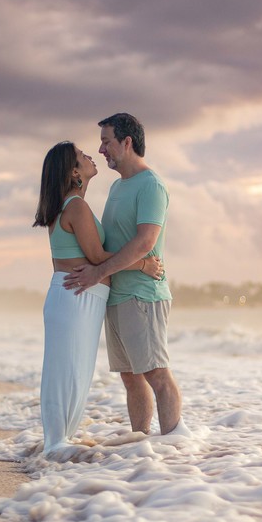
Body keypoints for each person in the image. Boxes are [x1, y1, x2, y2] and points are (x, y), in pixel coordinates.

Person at [33, 141, 163, 455]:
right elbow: (96, 255)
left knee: (72, 371)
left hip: (78, 297)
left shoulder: (71, 204)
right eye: (82, 156)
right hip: (77, 297)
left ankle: (57, 442)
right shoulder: (75, 206)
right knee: (69, 372)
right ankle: (56, 445)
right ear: (74, 172)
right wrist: (144, 264)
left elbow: (94, 256)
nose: (91, 155)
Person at [63, 113, 183, 436]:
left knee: (156, 373)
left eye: (106, 141)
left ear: (127, 142)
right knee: (130, 377)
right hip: (116, 295)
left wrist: (99, 271)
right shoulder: (117, 186)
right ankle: (140, 446)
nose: (101, 149)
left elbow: (145, 242)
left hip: (143, 294)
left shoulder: (152, 185)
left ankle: (175, 445)